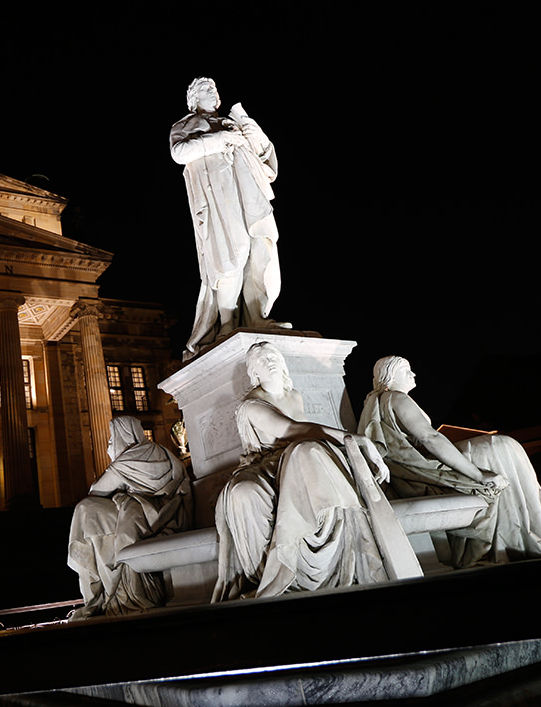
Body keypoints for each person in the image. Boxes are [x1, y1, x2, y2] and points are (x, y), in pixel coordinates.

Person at [213, 342, 405, 601]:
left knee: (309, 453)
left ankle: (331, 551)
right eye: (260, 360)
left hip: (291, 458)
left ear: (282, 361)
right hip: (262, 467)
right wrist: (354, 439)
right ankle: (269, 575)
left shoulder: (295, 396)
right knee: (247, 491)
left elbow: (304, 431)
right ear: (253, 372)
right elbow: (291, 429)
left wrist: (352, 442)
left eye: (272, 355)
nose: (268, 361)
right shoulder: (251, 404)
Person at [358, 356, 541, 568]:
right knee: (501, 446)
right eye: (406, 370)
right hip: (422, 470)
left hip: (411, 470)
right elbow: (430, 438)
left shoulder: (376, 402)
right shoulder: (396, 398)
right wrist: (478, 474)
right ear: (390, 375)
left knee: (502, 448)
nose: (413, 374)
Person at [170, 78, 284, 360]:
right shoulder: (184, 125)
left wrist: (252, 134)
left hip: (248, 192)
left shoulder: (232, 123)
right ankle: (227, 325)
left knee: (259, 247)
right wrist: (219, 140)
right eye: (207, 90)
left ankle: (257, 316)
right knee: (230, 256)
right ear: (193, 99)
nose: (214, 93)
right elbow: (179, 152)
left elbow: (268, 163)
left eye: (215, 90)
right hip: (218, 200)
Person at [68, 416, 192, 618]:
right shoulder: (162, 451)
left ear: (122, 436)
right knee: (94, 519)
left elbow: (96, 490)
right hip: (166, 514)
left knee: (86, 510)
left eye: (111, 438)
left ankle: (108, 593)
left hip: (141, 515)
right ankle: (110, 590)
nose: (109, 444)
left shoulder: (128, 460)